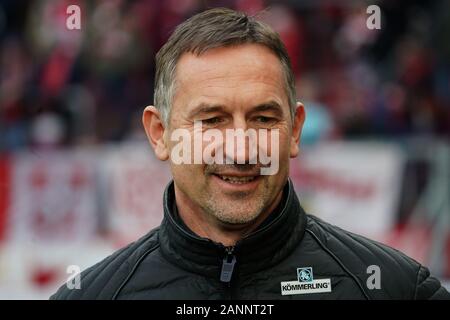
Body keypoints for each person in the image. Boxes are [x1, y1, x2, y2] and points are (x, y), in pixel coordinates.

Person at [51, 8, 450, 300]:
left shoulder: (397, 290)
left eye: (262, 118)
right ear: (160, 134)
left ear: (295, 130)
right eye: (212, 120)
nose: (242, 149)